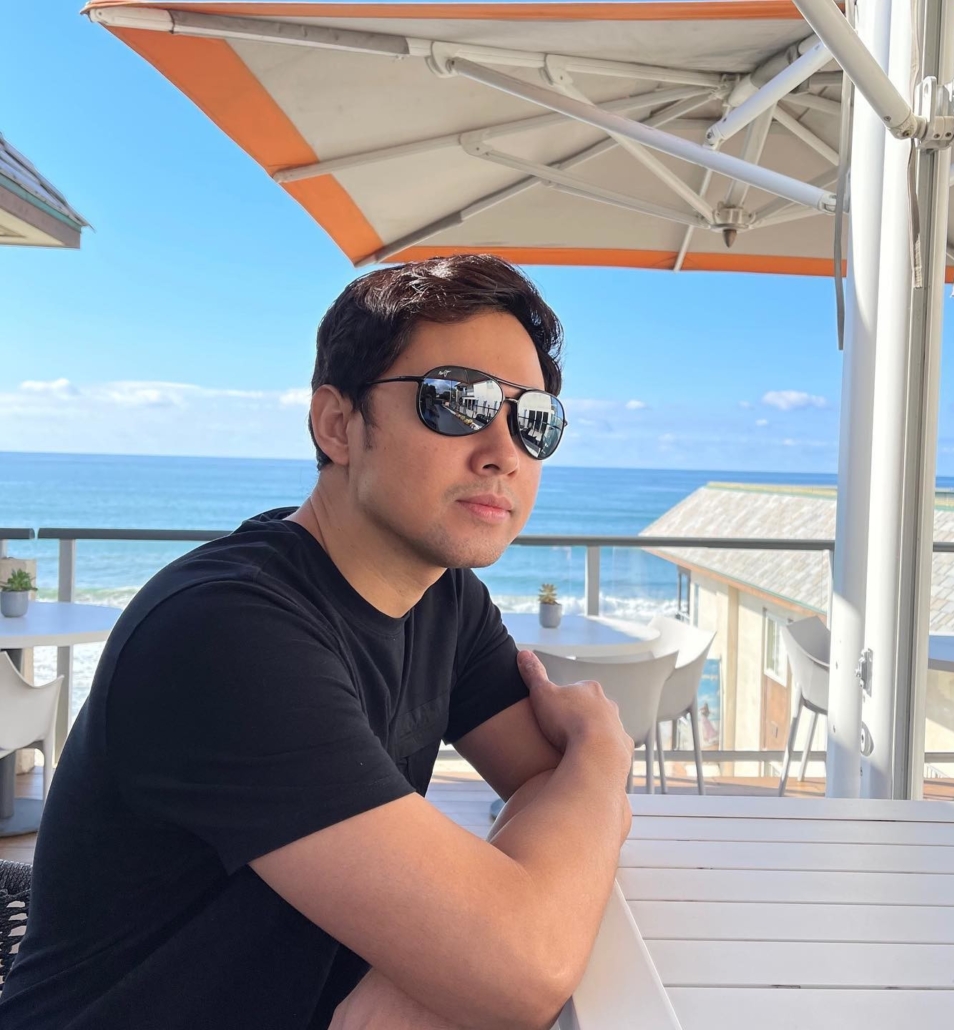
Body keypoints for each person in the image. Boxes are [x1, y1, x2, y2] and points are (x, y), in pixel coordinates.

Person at [0, 255, 635, 1030]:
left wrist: (430, 969)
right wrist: (604, 757)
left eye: (532, 420)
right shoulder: (226, 635)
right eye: (458, 402)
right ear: (337, 424)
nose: (503, 450)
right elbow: (527, 956)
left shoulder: (447, 600)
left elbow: (545, 790)